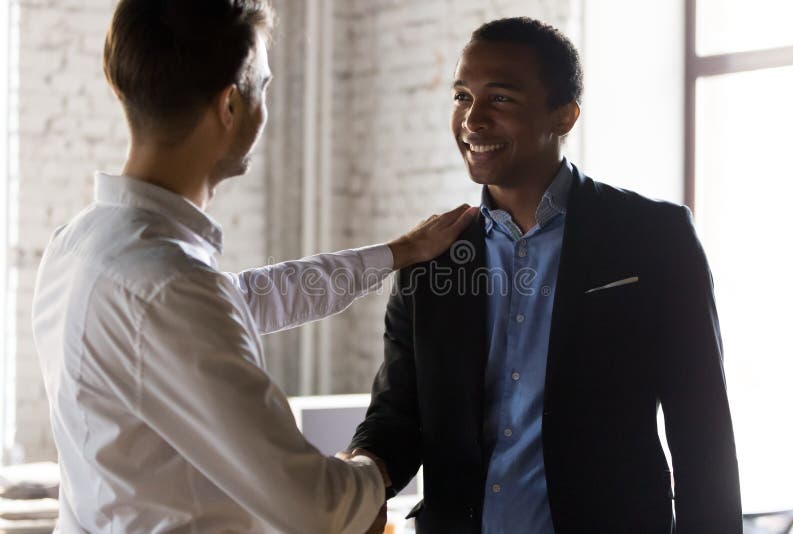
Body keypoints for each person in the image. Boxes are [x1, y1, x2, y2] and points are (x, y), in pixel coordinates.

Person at [30, 1, 476, 532]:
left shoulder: (82, 242)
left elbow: (245, 298)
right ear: (231, 106)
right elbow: (312, 507)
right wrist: (375, 466)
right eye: (263, 86)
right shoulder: (170, 285)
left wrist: (392, 254)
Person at [346, 17, 742, 533]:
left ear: (565, 115)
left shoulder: (654, 237)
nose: (472, 120)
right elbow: (399, 413)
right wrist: (359, 477)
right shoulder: (431, 256)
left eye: (501, 99)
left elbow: (702, 426)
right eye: (462, 97)